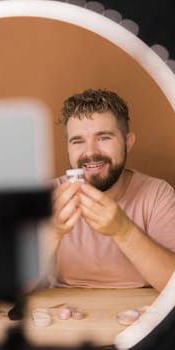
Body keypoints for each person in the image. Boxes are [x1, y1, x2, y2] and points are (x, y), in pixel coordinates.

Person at [47, 88, 175, 292]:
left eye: (104, 137)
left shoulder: (157, 194)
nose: (90, 152)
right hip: (66, 312)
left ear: (128, 142)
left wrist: (123, 230)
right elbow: (14, 288)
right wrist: (52, 232)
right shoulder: (49, 195)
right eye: (78, 141)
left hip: (141, 312)